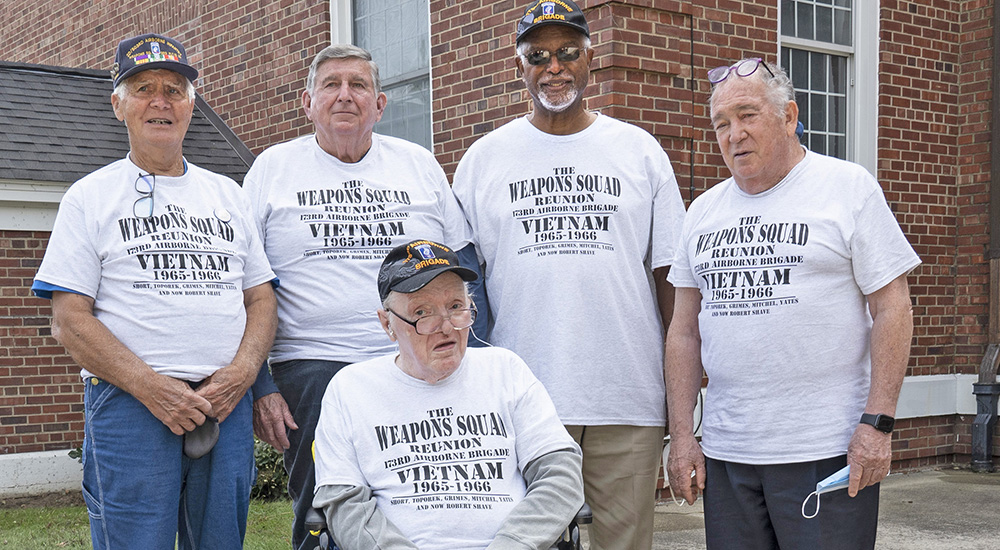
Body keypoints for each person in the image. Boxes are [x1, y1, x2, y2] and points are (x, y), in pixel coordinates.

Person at [451, 2, 686, 548]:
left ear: (590, 58)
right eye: (537, 56)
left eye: (566, 52)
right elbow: (463, 289)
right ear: (519, 69)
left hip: (625, 397)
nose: (553, 66)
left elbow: (672, 281)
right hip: (518, 399)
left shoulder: (639, 151)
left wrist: (680, 402)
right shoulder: (484, 159)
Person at [31, 33, 277, 549]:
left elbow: (260, 299)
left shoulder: (227, 194)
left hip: (222, 405)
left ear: (191, 105)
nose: (161, 101)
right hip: (130, 406)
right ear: (118, 105)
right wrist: (150, 386)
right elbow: (70, 319)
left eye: (175, 89)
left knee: (221, 542)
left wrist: (242, 374)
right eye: (143, 88)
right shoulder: (90, 196)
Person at [664, 57, 921, 549]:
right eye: (721, 123)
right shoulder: (702, 211)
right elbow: (684, 331)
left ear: (788, 117)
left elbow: (892, 308)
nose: (734, 134)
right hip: (729, 452)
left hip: (825, 451)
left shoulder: (848, 189)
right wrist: (682, 436)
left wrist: (878, 423)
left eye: (747, 115)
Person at [243, 44, 480, 549]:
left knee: (425, 501)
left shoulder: (417, 164)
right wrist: (259, 384)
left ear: (380, 103)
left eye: (359, 85)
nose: (345, 96)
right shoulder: (272, 169)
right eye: (331, 84)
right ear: (307, 102)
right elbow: (242, 284)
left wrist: (473, 355)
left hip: (416, 358)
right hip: (311, 366)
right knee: (324, 510)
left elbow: (467, 267)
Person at [312, 239, 584, 549]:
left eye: (455, 307)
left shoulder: (505, 370)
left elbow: (560, 479)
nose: (446, 327)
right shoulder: (350, 389)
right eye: (422, 312)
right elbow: (345, 503)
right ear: (387, 324)